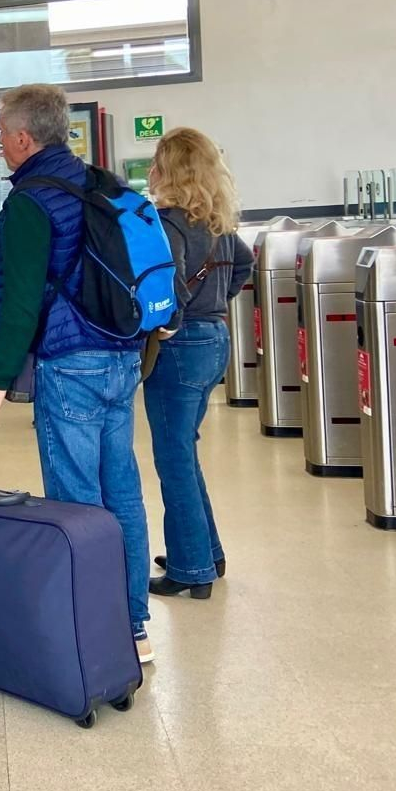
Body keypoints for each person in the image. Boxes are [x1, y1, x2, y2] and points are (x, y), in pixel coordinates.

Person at [0, 84, 153, 664]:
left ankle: (95, 630)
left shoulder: (31, 200)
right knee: (120, 490)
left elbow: (23, 300)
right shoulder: (104, 185)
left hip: (70, 364)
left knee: (75, 501)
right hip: (123, 357)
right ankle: (135, 622)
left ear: (24, 137)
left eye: (1, 134)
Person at [144, 129, 254, 599]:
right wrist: (214, 303)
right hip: (215, 340)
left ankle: (191, 569)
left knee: (173, 459)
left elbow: (168, 285)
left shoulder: (168, 222)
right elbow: (245, 266)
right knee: (184, 451)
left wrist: (169, 321)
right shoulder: (220, 224)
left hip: (181, 346)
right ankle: (204, 550)